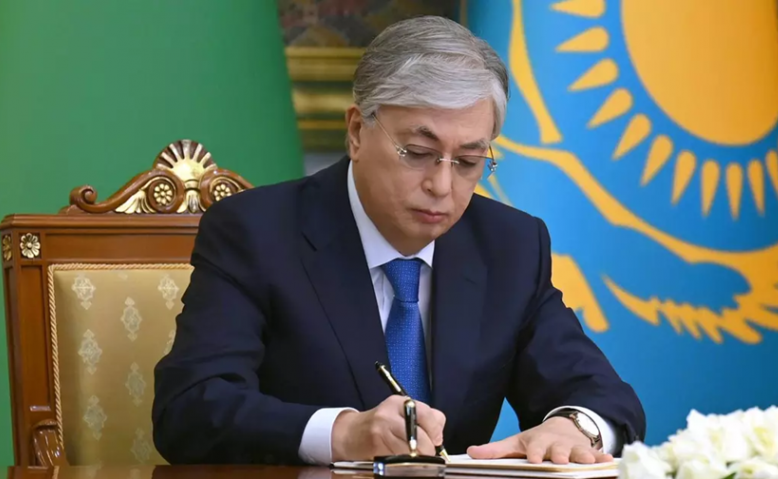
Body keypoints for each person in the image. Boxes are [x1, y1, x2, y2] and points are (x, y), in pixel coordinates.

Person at [152, 15, 645, 467]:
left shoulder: (509, 245)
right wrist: (342, 433)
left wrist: (574, 426)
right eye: (418, 152)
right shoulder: (257, 232)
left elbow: (603, 397)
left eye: (468, 161)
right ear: (356, 132)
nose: (442, 185)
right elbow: (190, 408)